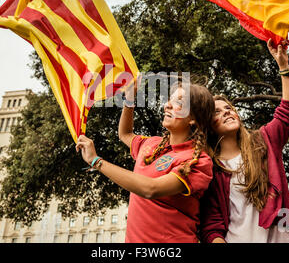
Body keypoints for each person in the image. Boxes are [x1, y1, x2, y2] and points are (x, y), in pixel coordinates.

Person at [76, 80, 215, 242]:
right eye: (169, 100)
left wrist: (96, 161)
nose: (167, 105)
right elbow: (125, 134)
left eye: (178, 102)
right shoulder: (151, 144)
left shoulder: (198, 160)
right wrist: (129, 100)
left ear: (193, 118)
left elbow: (151, 189)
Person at [199, 39, 289, 243]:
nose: (226, 111)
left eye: (228, 108)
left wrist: (283, 66)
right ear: (208, 125)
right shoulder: (209, 167)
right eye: (217, 112)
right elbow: (211, 226)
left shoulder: (264, 141)